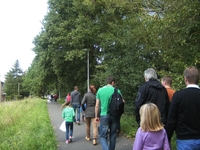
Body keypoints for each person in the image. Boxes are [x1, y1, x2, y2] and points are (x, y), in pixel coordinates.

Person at [166, 66, 200, 149]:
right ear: (198, 79)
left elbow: (172, 119)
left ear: (185, 79)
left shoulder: (178, 96)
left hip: (184, 139)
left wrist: (167, 138)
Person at [95, 76, 123, 150]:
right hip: (114, 116)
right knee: (113, 136)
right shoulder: (117, 90)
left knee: (103, 136)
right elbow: (122, 102)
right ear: (113, 82)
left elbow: (97, 105)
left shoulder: (100, 90)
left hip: (104, 115)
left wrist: (96, 116)